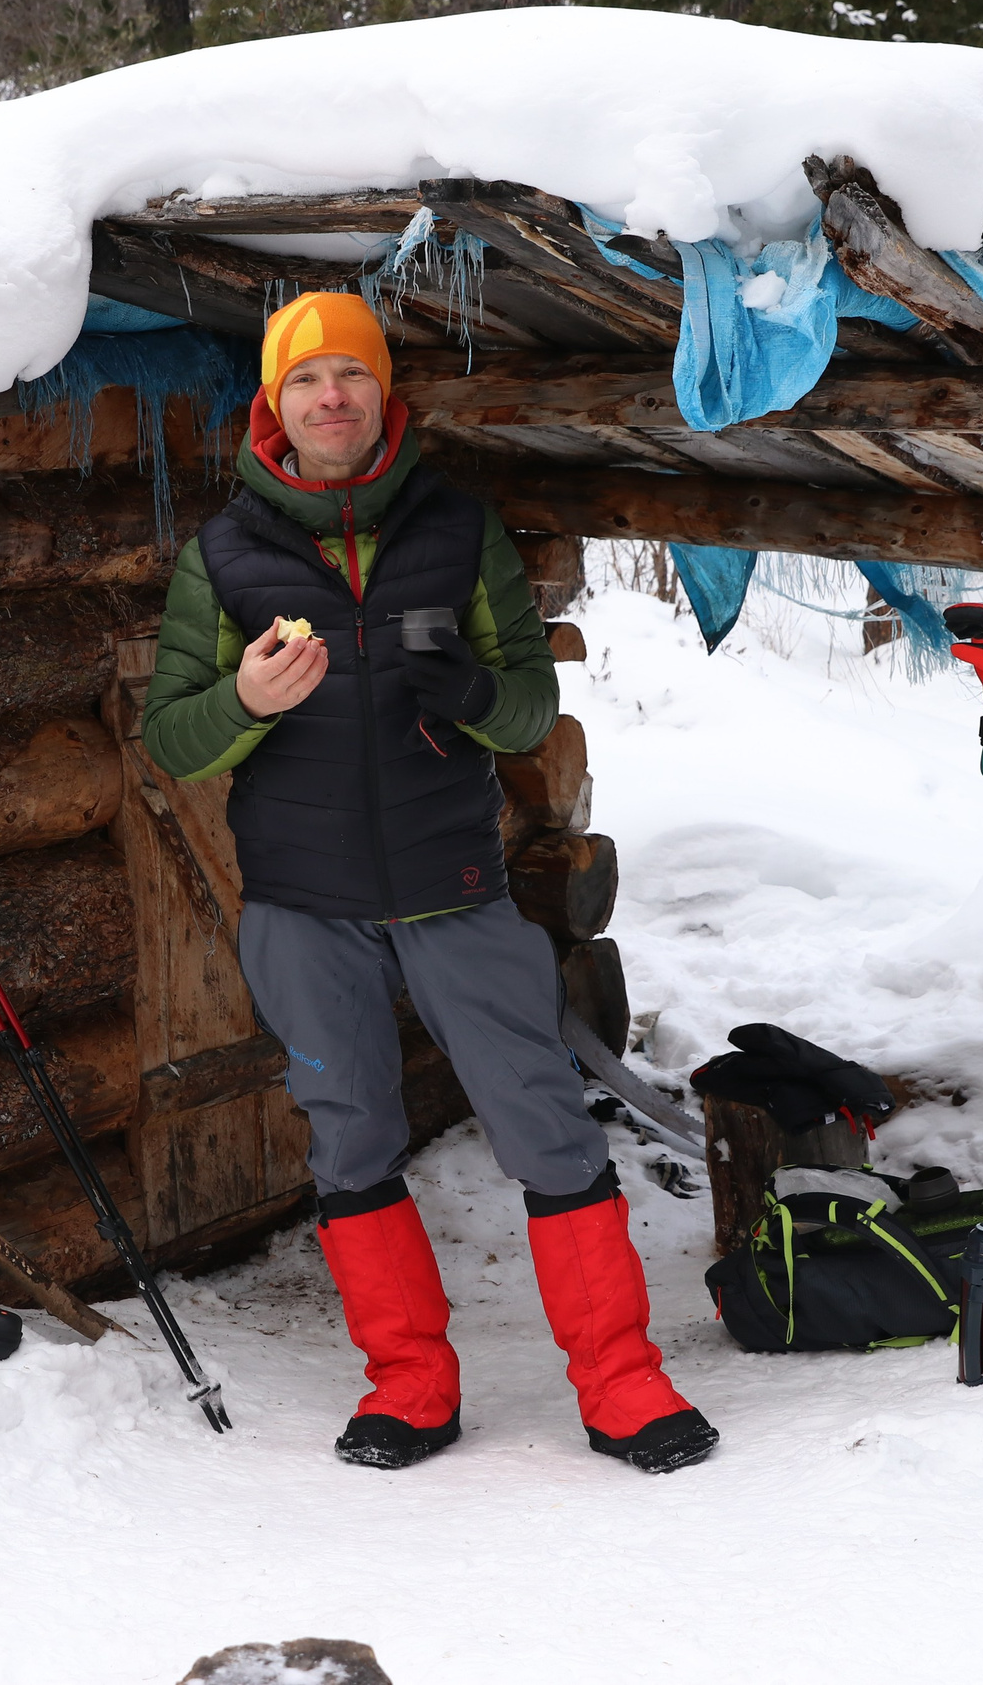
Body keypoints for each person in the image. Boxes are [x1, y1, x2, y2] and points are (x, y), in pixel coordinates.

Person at [142, 292, 718, 1475]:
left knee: (545, 1123)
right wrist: (243, 701)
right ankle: (407, 1385)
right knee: (349, 1140)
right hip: (303, 907)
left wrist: (470, 691)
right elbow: (173, 740)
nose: (332, 397)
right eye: (307, 380)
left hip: (455, 889)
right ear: (275, 404)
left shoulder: (458, 531)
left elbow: (531, 709)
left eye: (351, 374)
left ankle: (623, 1384)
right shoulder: (225, 555)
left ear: (382, 393)